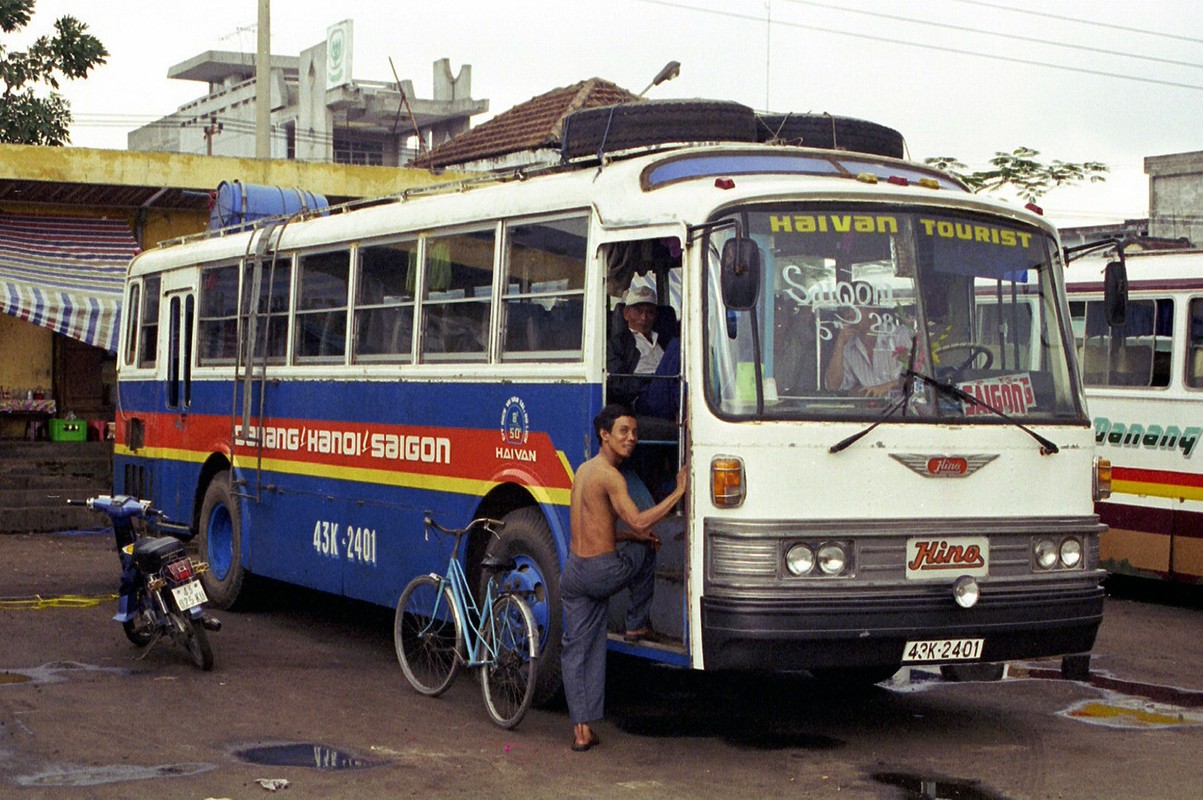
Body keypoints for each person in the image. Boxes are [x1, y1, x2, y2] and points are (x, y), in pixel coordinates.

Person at [560, 404, 688, 752]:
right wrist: (678, 492)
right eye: (623, 432)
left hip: (574, 572)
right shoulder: (612, 476)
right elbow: (640, 521)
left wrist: (634, 537)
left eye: (634, 432)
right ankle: (635, 622)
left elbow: (600, 528)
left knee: (578, 650)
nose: (632, 438)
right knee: (647, 551)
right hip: (602, 572)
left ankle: (581, 732)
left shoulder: (584, 471)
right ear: (604, 434)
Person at [606, 285, 677, 411]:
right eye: (638, 311)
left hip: (671, 389)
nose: (644, 318)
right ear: (626, 314)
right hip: (643, 396)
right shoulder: (618, 344)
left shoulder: (663, 340)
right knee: (678, 345)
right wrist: (648, 379)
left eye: (649, 312)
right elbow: (617, 383)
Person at [824, 309, 912, 398]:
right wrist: (839, 346)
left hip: (904, 408)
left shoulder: (900, 335)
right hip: (871, 410)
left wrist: (886, 387)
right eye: (845, 309)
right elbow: (833, 386)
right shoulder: (849, 347)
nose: (848, 314)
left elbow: (919, 378)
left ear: (872, 310)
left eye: (853, 308)